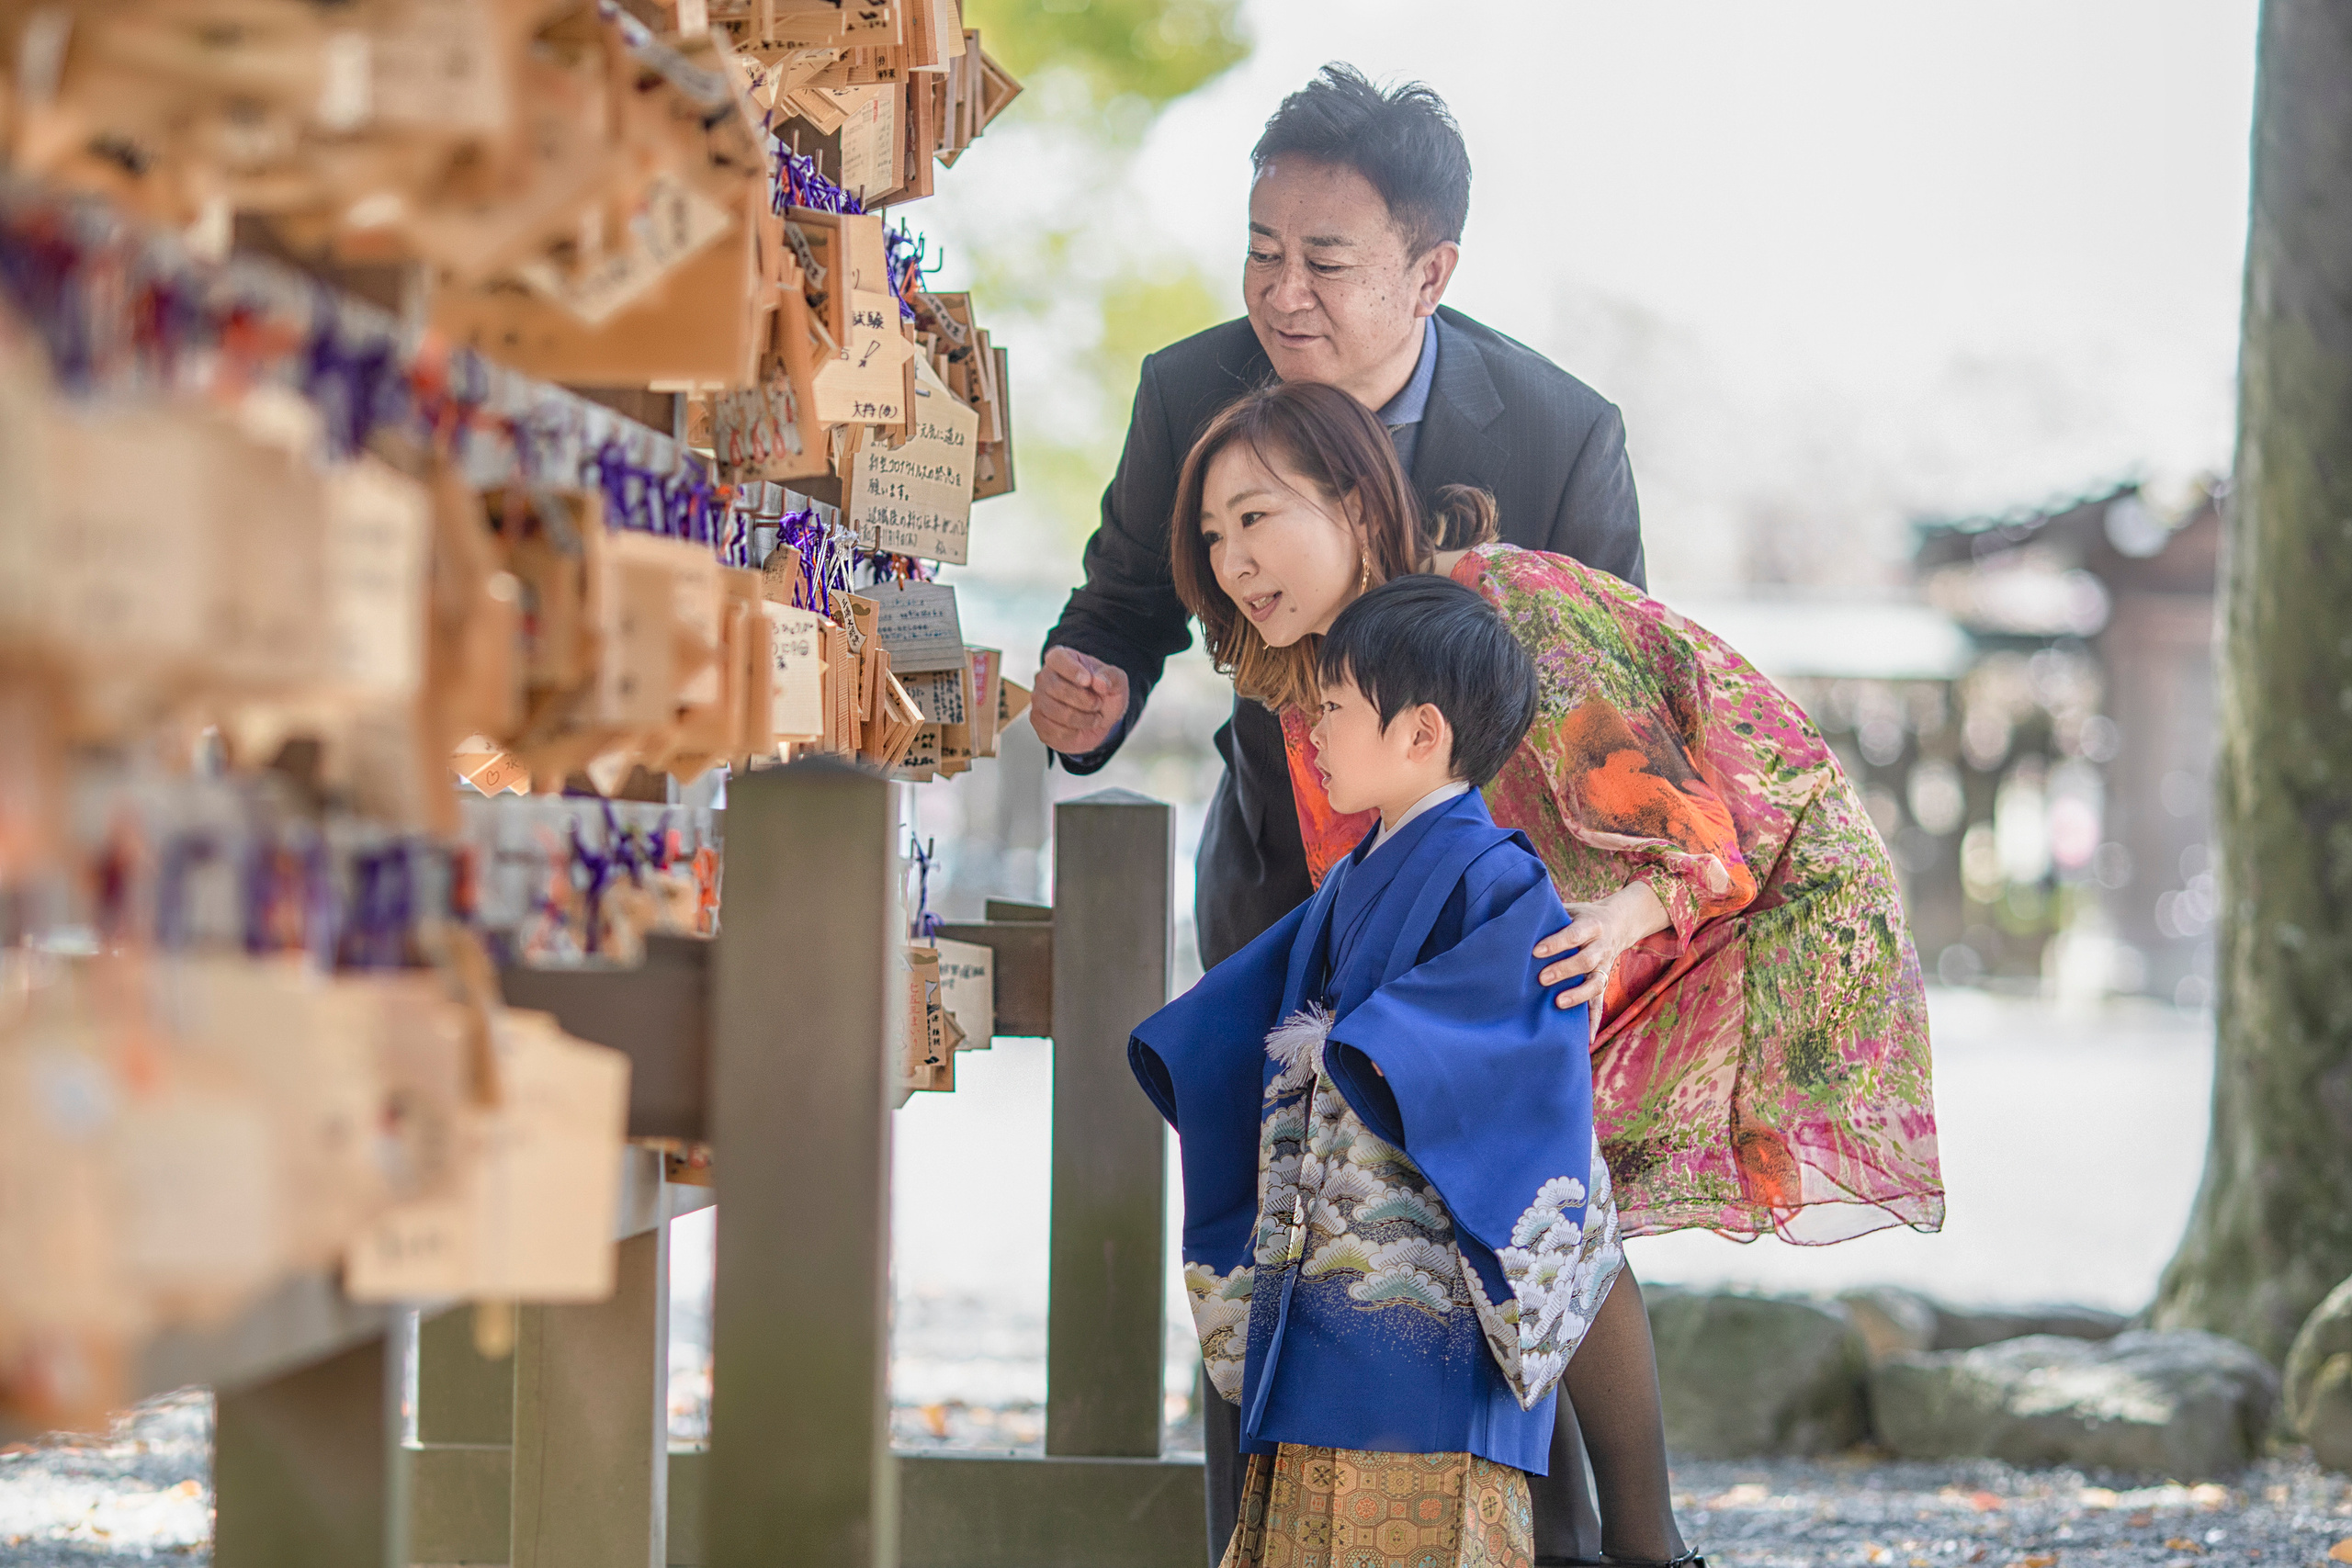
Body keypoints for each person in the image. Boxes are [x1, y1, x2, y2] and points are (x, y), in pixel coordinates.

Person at [1170, 377, 1946, 1562]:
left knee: (1559, 1208)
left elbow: (1691, 810)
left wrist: (1626, 914)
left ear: (1354, 500)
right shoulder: (1314, 685)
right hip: (1511, 958)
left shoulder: (1512, 601)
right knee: (1528, 1205)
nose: (1231, 560)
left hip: (1640, 925)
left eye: (1255, 516)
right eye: (1212, 533)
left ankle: (1646, 1539)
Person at [1036, 65, 1648, 1562]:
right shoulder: (1189, 387)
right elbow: (1123, 606)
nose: (1280, 291)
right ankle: (1254, 1533)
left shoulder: (1559, 433)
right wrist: (1089, 686)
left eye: (1325, 259)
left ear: (1431, 273)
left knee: (1508, 1215)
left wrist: (1619, 899)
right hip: (1282, 889)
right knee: (1269, 1221)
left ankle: (1592, 1539)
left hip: (1488, 902)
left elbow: (1631, 714)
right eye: (1260, 249)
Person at [1130, 576, 1627, 1568]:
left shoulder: (1501, 881)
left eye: (1334, 708)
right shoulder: (1358, 873)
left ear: (1420, 734)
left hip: (1427, 1303)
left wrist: (1362, 1054)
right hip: (1326, 1276)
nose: (1312, 730)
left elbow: (1517, 1067)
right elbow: (1248, 1017)